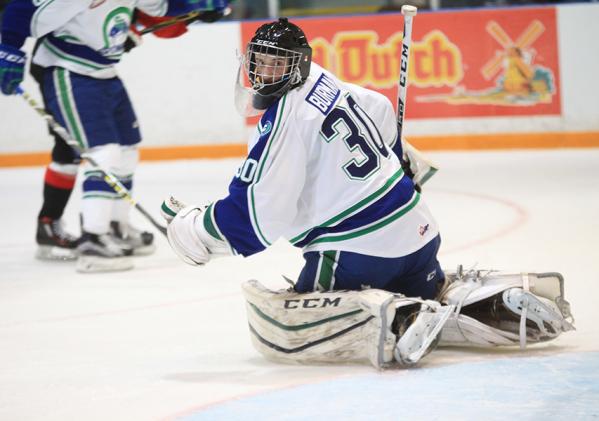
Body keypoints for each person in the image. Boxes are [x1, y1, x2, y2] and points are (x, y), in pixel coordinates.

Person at [161, 18, 575, 368]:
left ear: (297, 65)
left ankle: (394, 316)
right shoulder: (326, 81)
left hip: (355, 253)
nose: (266, 73)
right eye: (260, 63)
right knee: (428, 289)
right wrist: (398, 157)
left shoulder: (284, 120)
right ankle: (482, 301)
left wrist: (193, 232)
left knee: (296, 321)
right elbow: (378, 109)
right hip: (419, 232)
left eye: (277, 64)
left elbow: (260, 214)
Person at [0, 0, 229, 272]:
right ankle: (93, 239)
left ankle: (115, 226)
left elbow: (158, 9)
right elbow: (23, 8)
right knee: (103, 151)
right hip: (69, 68)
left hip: (104, 71)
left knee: (127, 150)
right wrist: (8, 49)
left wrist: (195, 5)